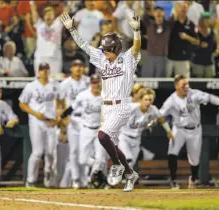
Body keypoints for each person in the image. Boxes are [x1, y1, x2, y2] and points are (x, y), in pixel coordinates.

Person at [61, 10, 141, 192]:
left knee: (102, 136)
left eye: (108, 50)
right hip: (106, 108)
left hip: (121, 106)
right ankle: (130, 173)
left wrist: (137, 31)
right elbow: (85, 46)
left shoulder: (127, 60)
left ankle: (118, 165)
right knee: (111, 143)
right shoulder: (102, 59)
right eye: (104, 49)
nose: (105, 53)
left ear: (117, 48)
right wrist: (72, 30)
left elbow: (136, 48)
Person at [159, 74, 219, 189]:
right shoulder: (171, 100)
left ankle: (193, 179)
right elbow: (160, 114)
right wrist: (161, 124)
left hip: (195, 129)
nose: (186, 87)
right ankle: (173, 180)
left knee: (194, 160)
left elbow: (209, 97)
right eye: (183, 85)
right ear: (176, 86)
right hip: (179, 128)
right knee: (172, 152)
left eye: (187, 84)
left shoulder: (194, 93)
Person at [61, 74, 108, 188]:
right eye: (93, 83)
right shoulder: (83, 95)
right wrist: (62, 116)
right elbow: (72, 107)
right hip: (86, 129)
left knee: (101, 158)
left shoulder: (105, 96)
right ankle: (95, 172)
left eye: (97, 83)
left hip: (99, 130)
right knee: (82, 160)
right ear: (90, 84)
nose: (95, 85)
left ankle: (93, 180)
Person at [19, 62, 60, 188]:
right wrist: (35, 114)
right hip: (36, 122)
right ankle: (31, 180)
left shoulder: (55, 84)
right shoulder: (31, 86)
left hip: (51, 122)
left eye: (46, 69)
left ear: (49, 70)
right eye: (42, 69)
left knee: (51, 153)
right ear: (38, 71)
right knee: (37, 152)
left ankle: (48, 175)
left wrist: (58, 117)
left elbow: (60, 102)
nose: (44, 72)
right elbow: (22, 104)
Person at [118, 88, 173, 168]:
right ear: (140, 100)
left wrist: (168, 131)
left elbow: (162, 119)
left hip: (136, 139)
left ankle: (115, 176)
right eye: (146, 99)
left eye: (150, 99)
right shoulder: (132, 107)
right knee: (127, 157)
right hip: (124, 137)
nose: (148, 102)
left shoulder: (153, 109)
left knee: (130, 164)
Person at [58, 59, 90, 189]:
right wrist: (63, 119)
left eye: (80, 66)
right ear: (71, 68)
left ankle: (84, 179)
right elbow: (59, 101)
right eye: (75, 66)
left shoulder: (88, 82)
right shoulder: (65, 83)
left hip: (86, 119)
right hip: (73, 119)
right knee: (74, 151)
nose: (78, 68)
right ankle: (76, 179)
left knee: (86, 151)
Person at [29, 1, 67, 76]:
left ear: (54, 16)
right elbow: (33, 10)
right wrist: (32, 2)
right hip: (40, 57)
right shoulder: (39, 24)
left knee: (55, 81)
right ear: (43, 16)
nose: (48, 16)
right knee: (40, 80)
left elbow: (66, 11)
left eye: (50, 14)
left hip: (55, 58)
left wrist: (69, 3)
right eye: (46, 14)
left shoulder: (58, 24)